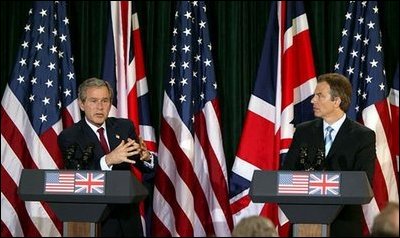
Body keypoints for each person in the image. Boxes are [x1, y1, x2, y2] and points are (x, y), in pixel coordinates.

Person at [58, 77, 156, 237]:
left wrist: (146, 158)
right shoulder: (70, 136)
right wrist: (108, 160)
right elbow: (77, 178)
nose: (100, 107)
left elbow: (141, 164)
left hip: (128, 218)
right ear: (82, 104)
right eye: (93, 101)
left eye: (105, 101)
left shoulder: (124, 127)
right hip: (96, 220)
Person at [281, 73, 376, 237]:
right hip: (304, 223)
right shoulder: (303, 131)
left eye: (319, 96)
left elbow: (364, 182)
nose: (313, 101)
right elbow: (287, 175)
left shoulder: (363, 136)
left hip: (343, 226)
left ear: (337, 101)